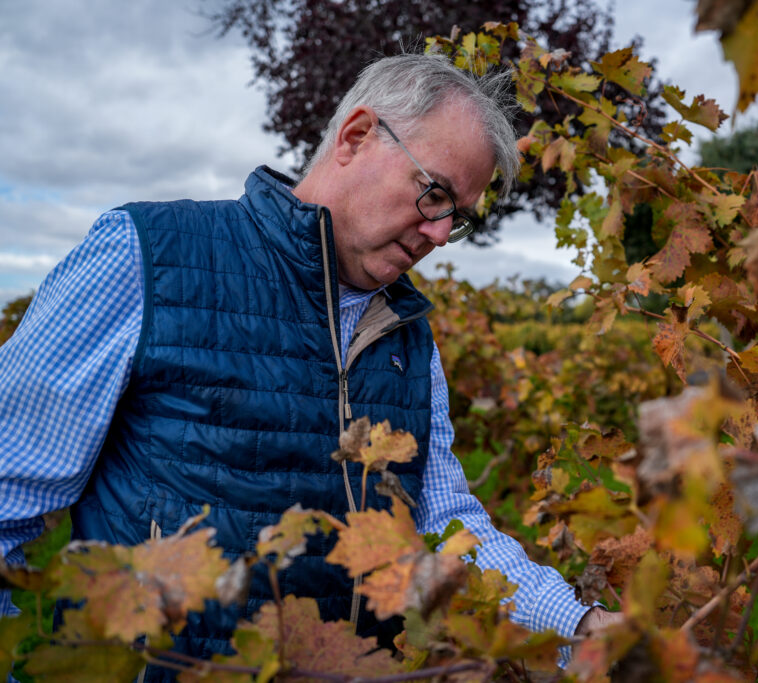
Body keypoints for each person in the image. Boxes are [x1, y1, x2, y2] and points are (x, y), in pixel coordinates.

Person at [0, 54, 616, 678]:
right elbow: (7, 494)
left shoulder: (407, 337)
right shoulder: (148, 257)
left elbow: (444, 518)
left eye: (455, 219)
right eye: (435, 194)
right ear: (356, 136)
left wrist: (580, 626)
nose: (438, 233)